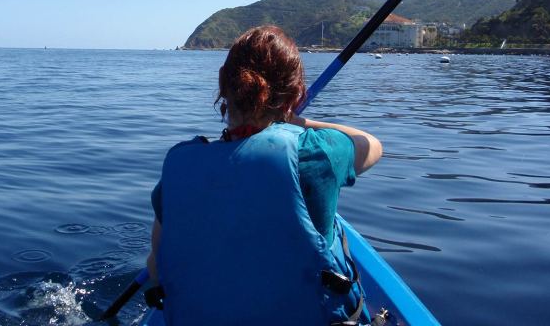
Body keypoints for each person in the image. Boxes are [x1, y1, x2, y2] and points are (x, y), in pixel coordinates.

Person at [146, 25, 382, 326]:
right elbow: (372, 145)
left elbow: (157, 268)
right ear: (297, 95)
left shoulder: (178, 168)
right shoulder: (315, 154)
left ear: (222, 83)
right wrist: (300, 121)